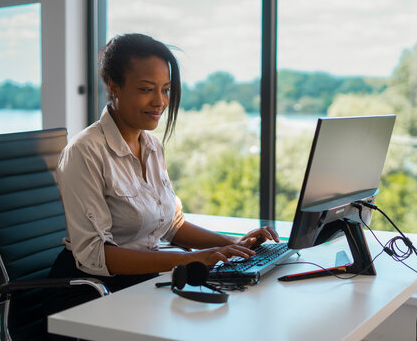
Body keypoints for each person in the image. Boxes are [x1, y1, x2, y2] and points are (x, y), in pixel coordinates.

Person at [45, 33, 279, 319]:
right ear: (113, 86)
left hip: (142, 282)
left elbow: (172, 225)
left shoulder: (152, 146)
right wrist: (189, 258)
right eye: (146, 89)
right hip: (91, 293)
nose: (160, 102)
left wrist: (230, 246)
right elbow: (95, 256)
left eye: (165, 89)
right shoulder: (85, 152)